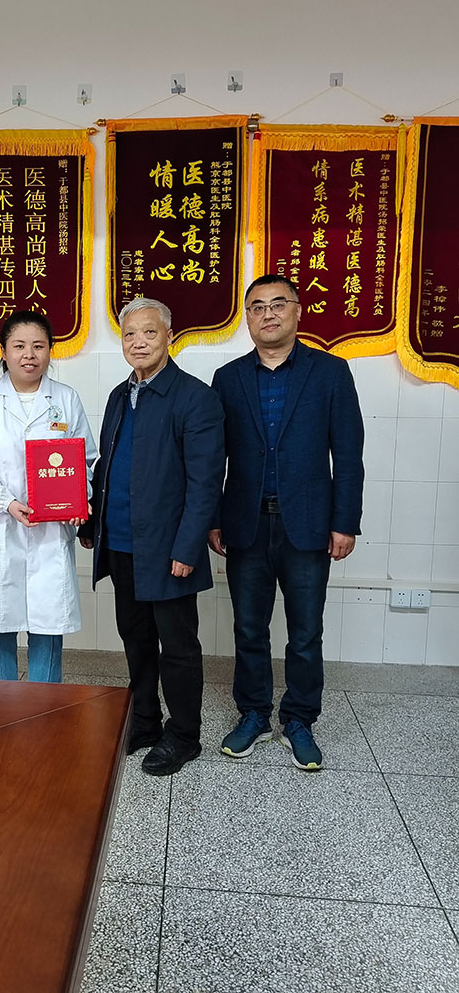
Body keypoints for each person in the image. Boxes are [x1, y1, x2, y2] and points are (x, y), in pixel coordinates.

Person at [210, 274, 365, 770]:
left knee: (305, 631)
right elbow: (214, 458)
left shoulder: (331, 373)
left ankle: (299, 719)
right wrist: (214, 518)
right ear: (247, 319)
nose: (268, 314)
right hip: (246, 524)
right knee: (248, 628)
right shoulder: (228, 378)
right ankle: (254, 714)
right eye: (257, 307)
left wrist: (345, 522)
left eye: (278, 304)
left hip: (309, 525)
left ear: (298, 311)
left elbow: (348, 454)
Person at [79, 297, 225, 776]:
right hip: (121, 542)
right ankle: (144, 721)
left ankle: (183, 735)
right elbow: (105, 467)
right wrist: (91, 522)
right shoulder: (118, 396)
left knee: (177, 646)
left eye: (149, 332)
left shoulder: (194, 397)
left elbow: (206, 482)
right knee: (135, 637)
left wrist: (187, 546)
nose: (138, 342)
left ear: (169, 336)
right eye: (129, 334)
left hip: (168, 549)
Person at [0, 310, 96, 682]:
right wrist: (5, 502)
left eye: (38, 346)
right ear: (3, 351)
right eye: (19, 346)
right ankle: (1, 710)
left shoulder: (66, 398)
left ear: (50, 351)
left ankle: (44, 709)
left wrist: (78, 499)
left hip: (50, 532)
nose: (29, 355)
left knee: (48, 628)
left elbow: (86, 460)